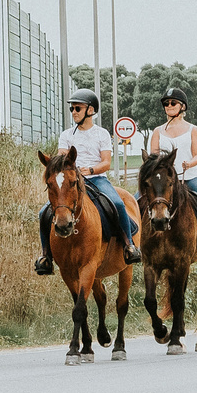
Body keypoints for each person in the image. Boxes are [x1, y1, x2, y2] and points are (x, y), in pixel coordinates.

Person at [36, 88, 139, 274]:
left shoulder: (102, 134)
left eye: (78, 108)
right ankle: (45, 256)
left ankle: (128, 246)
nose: (74, 112)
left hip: (96, 178)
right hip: (71, 181)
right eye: (72, 109)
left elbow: (106, 162)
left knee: (117, 203)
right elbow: (61, 159)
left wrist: (90, 170)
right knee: (44, 212)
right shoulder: (67, 135)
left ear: (90, 110)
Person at [149, 87, 197, 259]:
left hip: (189, 177)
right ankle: (135, 240)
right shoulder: (157, 131)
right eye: (166, 103)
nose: (169, 106)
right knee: (136, 199)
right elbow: (153, 157)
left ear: (182, 106)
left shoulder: (193, 130)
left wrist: (189, 163)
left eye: (173, 103)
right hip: (163, 180)